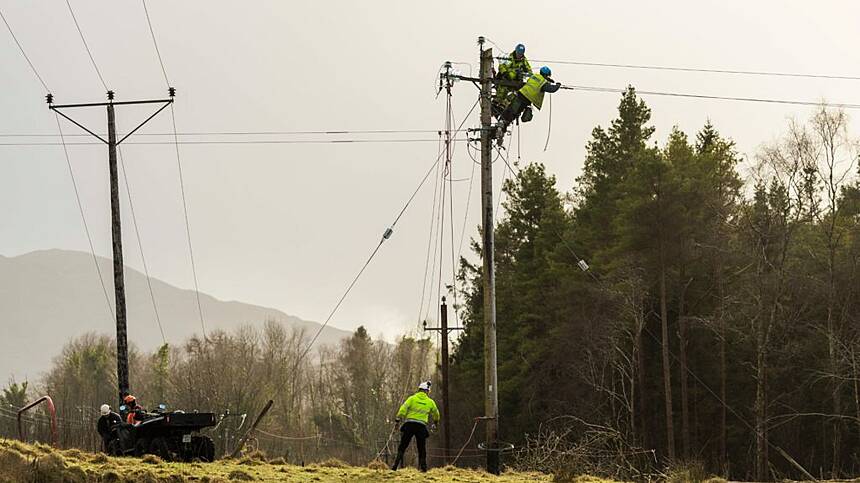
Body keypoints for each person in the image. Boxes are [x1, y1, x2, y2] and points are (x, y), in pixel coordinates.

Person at [497, 65, 561, 142]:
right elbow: (552, 89)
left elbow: (534, 83)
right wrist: (558, 85)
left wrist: (549, 81)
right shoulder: (543, 83)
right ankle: (502, 126)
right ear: (547, 75)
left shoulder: (534, 76)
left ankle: (501, 124)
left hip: (520, 94)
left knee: (511, 109)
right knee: (514, 113)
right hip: (526, 99)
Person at [391, 381, 440, 472]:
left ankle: (395, 465)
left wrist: (397, 420)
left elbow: (402, 409)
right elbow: (436, 414)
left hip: (409, 425)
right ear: (427, 391)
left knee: (403, 445)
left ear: (419, 389)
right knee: (421, 448)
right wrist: (436, 423)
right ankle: (424, 468)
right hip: (421, 427)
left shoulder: (411, 398)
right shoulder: (430, 402)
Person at [493, 43, 531, 115]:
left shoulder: (523, 61)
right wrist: (505, 73)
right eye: (518, 54)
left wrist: (525, 74)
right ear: (515, 52)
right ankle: (495, 104)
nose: (519, 56)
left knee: (515, 96)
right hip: (505, 79)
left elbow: (529, 71)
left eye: (521, 54)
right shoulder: (509, 58)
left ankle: (503, 106)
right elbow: (501, 66)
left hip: (515, 82)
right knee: (502, 91)